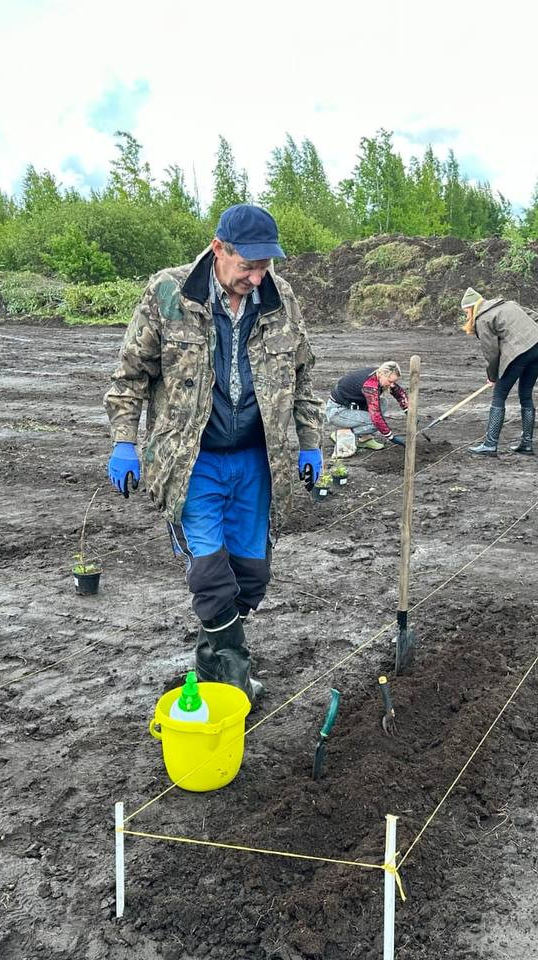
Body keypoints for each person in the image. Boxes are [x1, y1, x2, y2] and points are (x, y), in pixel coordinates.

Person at [103, 204, 323, 703]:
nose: (256, 276)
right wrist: (124, 441)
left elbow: (304, 375)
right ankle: (234, 680)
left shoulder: (280, 297)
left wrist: (310, 441)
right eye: (247, 265)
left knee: (251, 577)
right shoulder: (169, 292)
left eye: (265, 265)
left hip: (254, 458)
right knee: (210, 576)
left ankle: (211, 661)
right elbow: (131, 374)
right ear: (218, 248)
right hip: (191, 459)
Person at [460, 287, 538, 456]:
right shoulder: (507, 304)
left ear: (473, 308)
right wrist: (523, 335)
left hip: (519, 353)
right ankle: (527, 444)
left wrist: (492, 377)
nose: (466, 317)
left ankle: (490, 444)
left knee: (499, 395)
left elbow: (491, 353)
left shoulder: (482, 319)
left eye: (466, 312)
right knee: (526, 394)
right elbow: (534, 316)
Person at [324, 361, 409, 452]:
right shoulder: (370, 385)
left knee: (383, 403)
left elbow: (399, 393)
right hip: (337, 412)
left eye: (394, 381)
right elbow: (376, 418)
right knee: (375, 424)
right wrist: (391, 437)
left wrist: (409, 412)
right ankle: (343, 434)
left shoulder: (378, 374)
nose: (392, 384)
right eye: (390, 381)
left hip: (352, 406)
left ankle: (364, 439)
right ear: (381, 374)